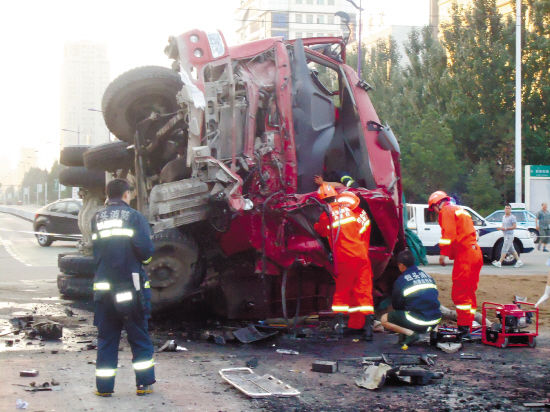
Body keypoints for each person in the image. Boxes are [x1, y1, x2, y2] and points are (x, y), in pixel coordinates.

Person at [91, 179, 155, 397]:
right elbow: (146, 252)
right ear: (127, 194)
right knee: (138, 334)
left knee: (107, 338)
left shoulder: (96, 218)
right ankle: (144, 384)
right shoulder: (134, 217)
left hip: (103, 289)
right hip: (130, 288)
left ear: (108, 195)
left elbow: (96, 251)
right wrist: (142, 263)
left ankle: (104, 388)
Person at [314, 183, 374, 340]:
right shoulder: (347, 210)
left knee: (342, 291)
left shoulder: (326, 215)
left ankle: (340, 328)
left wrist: (315, 224)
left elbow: (322, 231)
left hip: (345, 258)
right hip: (361, 256)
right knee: (363, 290)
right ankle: (368, 330)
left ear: (322, 201)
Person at [428, 190, 483, 337]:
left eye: (433, 208)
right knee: (469, 292)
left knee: (460, 293)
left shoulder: (446, 210)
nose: (434, 211)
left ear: (437, 204)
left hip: (466, 255)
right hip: (475, 252)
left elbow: (449, 235)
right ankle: (469, 323)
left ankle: (464, 327)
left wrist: (443, 254)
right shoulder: (460, 210)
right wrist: (452, 254)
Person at [380, 249, 441, 346]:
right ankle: (434, 334)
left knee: (384, 319)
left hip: (419, 322)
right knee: (429, 306)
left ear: (401, 265)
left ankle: (411, 334)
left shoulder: (401, 280)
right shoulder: (427, 276)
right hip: (435, 319)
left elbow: (397, 305)